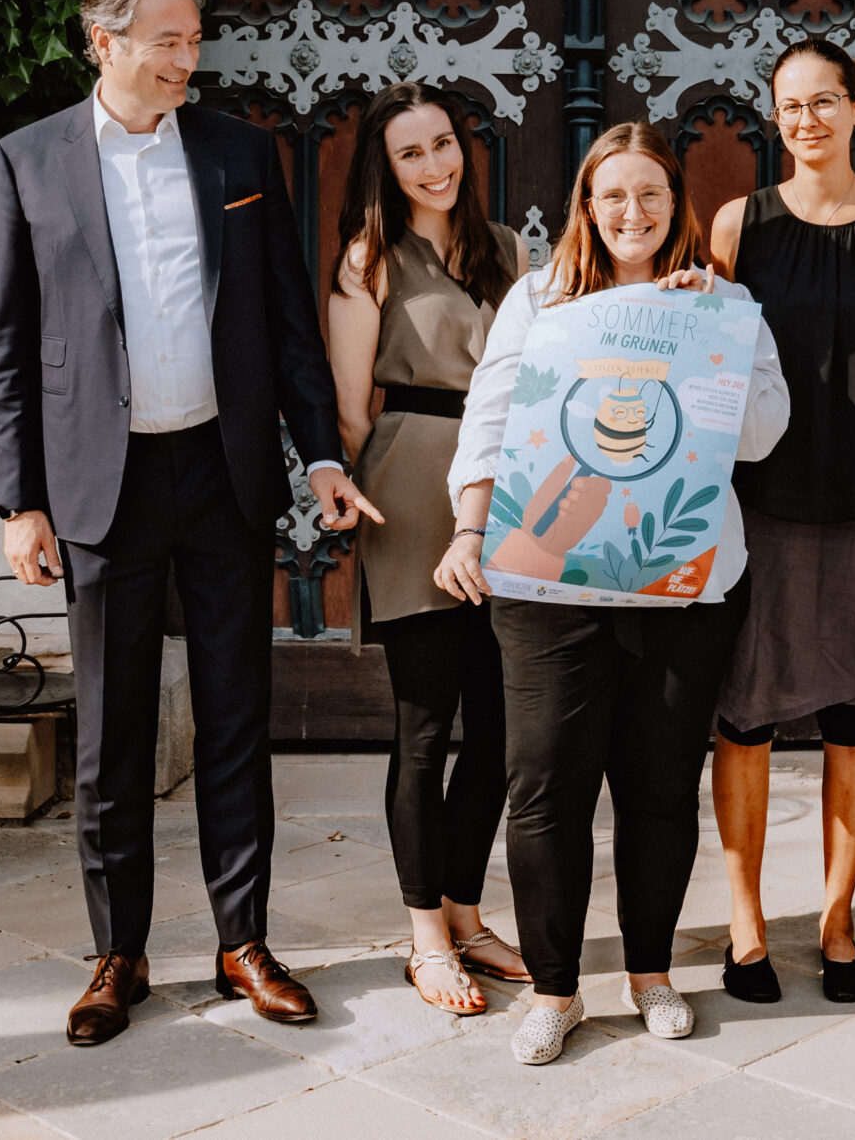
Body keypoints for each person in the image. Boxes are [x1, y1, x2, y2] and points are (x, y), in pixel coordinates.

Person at [0, 0, 383, 1047]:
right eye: (169, 41)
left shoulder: (240, 151)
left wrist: (320, 456)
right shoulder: (27, 161)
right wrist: (18, 499)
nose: (187, 59)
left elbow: (288, 322)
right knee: (111, 733)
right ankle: (117, 953)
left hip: (223, 471)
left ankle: (242, 939)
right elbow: (11, 343)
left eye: (193, 40)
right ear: (103, 39)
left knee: (235, 717)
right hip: (100, 486)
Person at [436, 124, 790, 1065]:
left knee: (662, 787)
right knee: (545, 785)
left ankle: (651, 975)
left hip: (683, 582)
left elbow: (756, 436)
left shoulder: (725, 302)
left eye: (652, 196)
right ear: (587, 208)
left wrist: (713, 327)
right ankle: (555, 990)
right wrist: (469, 528)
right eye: (613, 196)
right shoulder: (540, 298)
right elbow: (492, 417)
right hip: (549, 582)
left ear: (677, 205)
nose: (633, 214)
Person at [702, 39, 855, 1006]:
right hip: (760, 504)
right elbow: (710, 358)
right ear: (775, 118)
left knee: (853, 720)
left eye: (824, 103)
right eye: (789, 107)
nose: (806, 121)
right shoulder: (738, 223)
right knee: (744, 719)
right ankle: (746, 920)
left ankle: (839, 920)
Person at [324, 82, 531, 1014]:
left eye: (443, 144)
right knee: (423, 731)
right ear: (386, 166)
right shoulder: (368, 260)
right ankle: (423, 938)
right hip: (410, 494)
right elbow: (350, 405)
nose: (435, 165)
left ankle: (466, 909)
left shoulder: (512, 253)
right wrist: (362, 496)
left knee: (499, 731)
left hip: (508, 497)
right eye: (411, 153)